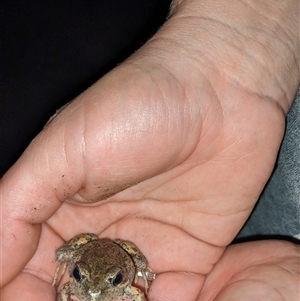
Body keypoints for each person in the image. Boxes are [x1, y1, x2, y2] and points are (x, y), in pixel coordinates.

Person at [1, 0, 299, 300]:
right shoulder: (76, 281)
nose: (93, 292)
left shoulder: (124, 284)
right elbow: (67, 289)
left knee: (134, 257)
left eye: (113, 282)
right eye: (77, 277)